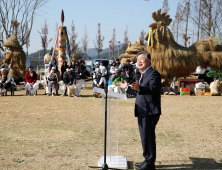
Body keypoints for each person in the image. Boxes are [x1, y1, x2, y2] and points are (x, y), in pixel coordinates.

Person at [117, 52, 161, 170]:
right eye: (138, 60)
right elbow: (138, 92)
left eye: (142, 59)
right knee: (144, 136)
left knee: (148, 137)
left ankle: (150, 163)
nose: (139, 61)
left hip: (150, 111)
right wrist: (126, 88)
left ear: (149, 61)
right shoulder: (142, 75)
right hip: (142, 110)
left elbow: (153, 89)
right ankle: (147, 160)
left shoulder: (154, 74)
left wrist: (139, 88)